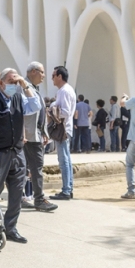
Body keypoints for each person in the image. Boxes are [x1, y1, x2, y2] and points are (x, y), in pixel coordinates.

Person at [0, 67, 41, 243]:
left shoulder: (19, 97)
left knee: (17, 192)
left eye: (16, 82)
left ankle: (10, 227)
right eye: (11, 82)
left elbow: (36, 106)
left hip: (17, 152)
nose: (14, 85)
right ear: (0, 83)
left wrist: (25, 84)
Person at [23, 62, 57, 212]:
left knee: (28, 168)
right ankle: (39, 199)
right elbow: (22, 113)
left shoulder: (33, 88)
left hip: (35, 134)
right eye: (42, 72)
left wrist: (44, 132)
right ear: (33, 72)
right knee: (35, 168)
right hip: (28, 136)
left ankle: (22, 198)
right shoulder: (24, 88)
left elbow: (40, 114)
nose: (44, 75)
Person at [50, 66, 76, 200]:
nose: (52, 78)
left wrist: (53, 109)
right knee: (66, 159)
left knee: (63, 160)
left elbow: (65, 112)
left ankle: (66, 190)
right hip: (66, 128)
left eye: (53, 75)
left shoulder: (64, 91)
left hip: (63, 129)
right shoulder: (66, 90)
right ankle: (68, 188)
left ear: (59, 76)